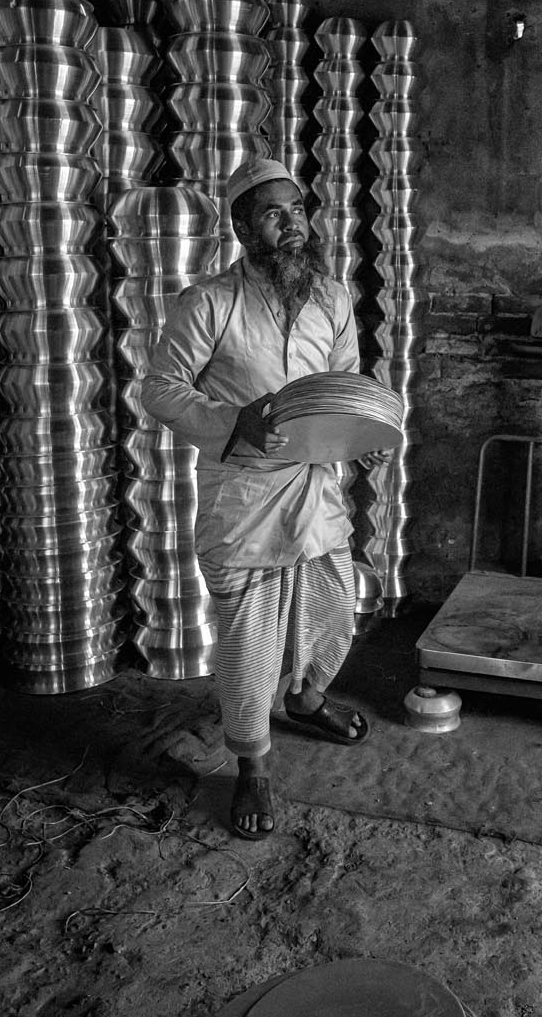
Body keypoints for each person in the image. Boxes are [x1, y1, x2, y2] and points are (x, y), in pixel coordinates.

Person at [140, 157, 375, 841]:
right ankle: (252, 764)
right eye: (273, 214)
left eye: (297, 210)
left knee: (333, 614)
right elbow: (160, 389)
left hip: (314, 491)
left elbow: (345, 385)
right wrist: (231, 420)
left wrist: (363, 434)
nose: (291, 224)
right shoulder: (209, 302)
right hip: (243, 501)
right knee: (250, 646)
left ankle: (305, 699)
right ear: (244, 229)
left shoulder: (331, 298)